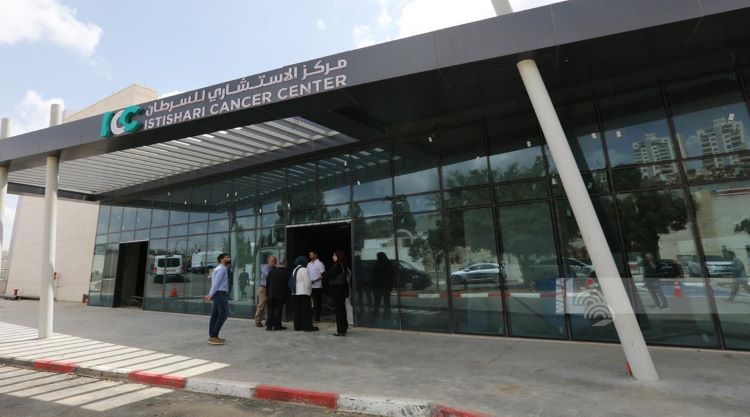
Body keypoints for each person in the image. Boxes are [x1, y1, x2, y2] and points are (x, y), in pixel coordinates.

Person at [203, 253, 231, 345]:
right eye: (227, 258)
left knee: (215, 315)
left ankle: (213, 336)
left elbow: (214, 283)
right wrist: (210, 295)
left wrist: (211, 294)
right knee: (224, 314)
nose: (229, 259)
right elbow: (216, 284)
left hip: (217, 294)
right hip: (220, 294)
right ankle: (214, 336)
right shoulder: (222, 269)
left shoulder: (217, 269)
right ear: (222, 259)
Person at [322, 250, 350, 336]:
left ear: (338, 256)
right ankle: (344, 328)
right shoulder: (343, 264)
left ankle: (340, 330)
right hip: (342, 290)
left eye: (334, 256)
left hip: (338, 290)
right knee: (342, 309)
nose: (333, 257)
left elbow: (330, 274)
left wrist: (322, 273)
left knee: (339, 311)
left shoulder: (338, 265)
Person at [292, 256, 318, 331]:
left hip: (295, 292)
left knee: (297, 310)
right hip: (303, 292)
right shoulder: (304, 269)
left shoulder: (295, 269)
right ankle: (307, 327)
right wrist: (310, 292)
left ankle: (298, 326)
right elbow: (308, 282)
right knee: (306, 310)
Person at [265, 257, 290, 331]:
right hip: (280, 295)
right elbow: (287, 285)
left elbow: (267, 283)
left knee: (271, 310)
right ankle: (277, 325)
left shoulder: (272, 271)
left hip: (271, 294)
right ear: (285, 264)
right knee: (279, 310)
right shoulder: (286, 272)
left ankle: (269, 326)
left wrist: (267, 294)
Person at [254, 255, 276, 327]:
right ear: (268, 261)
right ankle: (257, 320)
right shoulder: (265, 268)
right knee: (261, 305)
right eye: (272, 261)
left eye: (274, 261)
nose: (273, 263)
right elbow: (269, 276)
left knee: (268, 305)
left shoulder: (275, 268)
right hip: (263, 288)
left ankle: (268, 321)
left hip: (270, 289)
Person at [372, 252, 394, 317]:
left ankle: (376, 312)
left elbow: (374, 275)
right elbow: (392, 275)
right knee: (386, 300)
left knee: (377, 300)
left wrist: (373, 285)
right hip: (386, 285)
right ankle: (386, 313)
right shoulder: (389, 264)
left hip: (379, 285)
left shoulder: (377, 265)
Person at [307, 250, 326, 322]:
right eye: (309, 255)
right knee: (309, 302)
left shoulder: (320, 264)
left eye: (311, 254)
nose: (310, 256)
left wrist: (314, 280)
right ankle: (310, 316)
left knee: (317, 302)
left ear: (315, 255)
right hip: (310, 286)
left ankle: (317, 317)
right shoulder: (308, 264)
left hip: (317, 286)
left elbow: (323, 275)